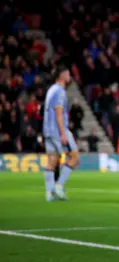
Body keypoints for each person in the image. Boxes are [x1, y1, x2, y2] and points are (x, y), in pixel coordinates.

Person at [43, 65, 79, 201]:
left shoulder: (51, 90)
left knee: (52, 160)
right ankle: (59, 186)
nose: (69, 76)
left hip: (48, 130)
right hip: (58, 130)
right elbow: (59, 114)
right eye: (68, 73)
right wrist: (63, 133)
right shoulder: (60, 91)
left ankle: (49, 194)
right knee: (75, 158)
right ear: (62, 75)